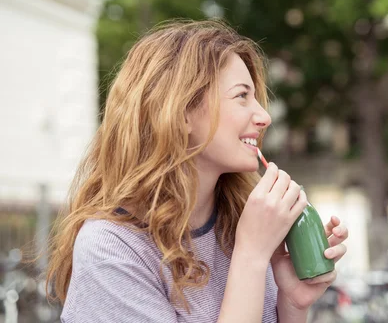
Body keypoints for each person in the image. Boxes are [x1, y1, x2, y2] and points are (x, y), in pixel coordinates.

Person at [45, 20, 349, 322]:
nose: (264, 116)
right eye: (242, 95)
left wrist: (292, 306)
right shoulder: (112, 249)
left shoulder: (241, 224)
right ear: (180, 113)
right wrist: (251, 256)